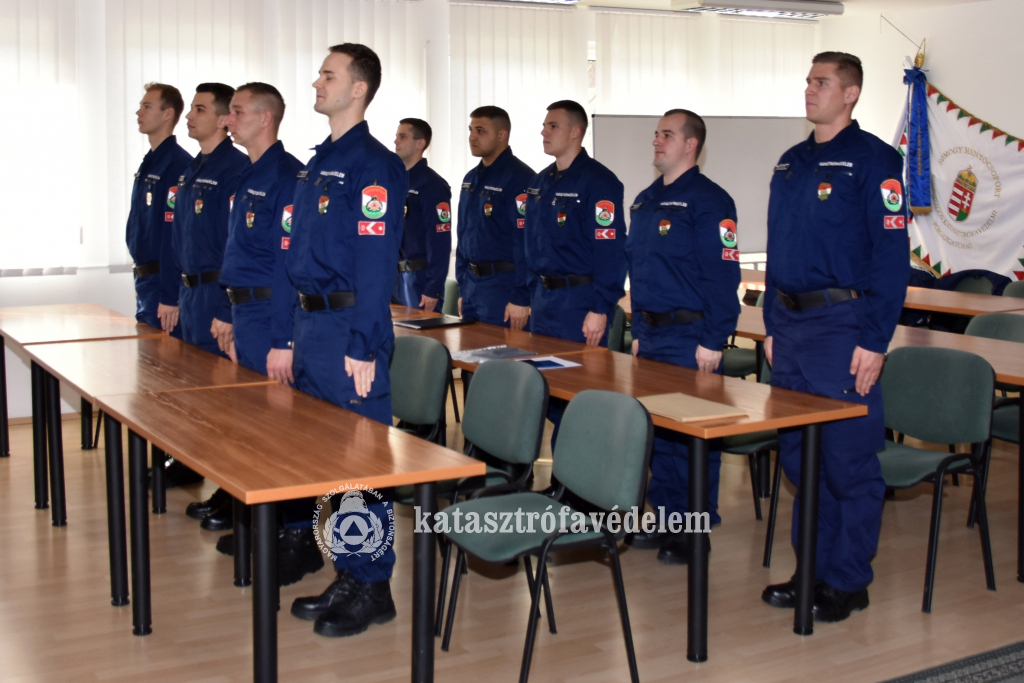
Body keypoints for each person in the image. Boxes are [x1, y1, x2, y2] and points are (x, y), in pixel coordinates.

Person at [760, 52, 909, 623]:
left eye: (822, 82)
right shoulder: (791, 162)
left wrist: (875, 340)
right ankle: (811, 571)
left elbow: (891, 258)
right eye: (807, 81)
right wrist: (772, 325)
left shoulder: (874, 160)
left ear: (850, 94)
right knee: (802, 461)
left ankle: (848, 580)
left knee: (848, 464)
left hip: (842, 327)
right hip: (791, 327)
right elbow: (778, 250)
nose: (810, 89)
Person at [284, 44, 407, 638]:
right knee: (329, 462)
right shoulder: (319, 163)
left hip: (348, 332)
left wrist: (363, 343)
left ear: (358, 89)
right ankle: (349, 571)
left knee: (361, 466)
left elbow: (376, 264)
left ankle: (374, 586)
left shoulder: (373, 165)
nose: (317, 82)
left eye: (328, 75)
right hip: (312, 328)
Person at [185, 83, 322, 587]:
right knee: (255, 430)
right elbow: (236, 249)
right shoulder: (248, 174)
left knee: (285, 432)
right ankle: (270, 525)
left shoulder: (286, 177)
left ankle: (299, 537)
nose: (228, 120)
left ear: (265, 119)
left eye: (237, 112)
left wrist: (284, 338)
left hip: (271, 313)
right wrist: (226, 311)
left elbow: (289, 265)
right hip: (244, 312)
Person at [623, 109, 740, 564]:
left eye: (667, 135)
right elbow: (641, 272)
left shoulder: (710, 201)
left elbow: (722, 276)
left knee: (692, 439)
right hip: (651, 335)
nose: (656, 141)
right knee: (659, 435)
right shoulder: (645, 200)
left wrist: (714, 339)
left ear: (691, 144)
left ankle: (694, 531)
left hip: (691, 335)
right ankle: (669, 519)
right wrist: (637, 330)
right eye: (656, 134)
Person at [524, 100, 627, 448]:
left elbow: (610, 251)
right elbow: (530, 245)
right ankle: (561, 472)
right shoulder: (539, 182)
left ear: (575, 132)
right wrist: (528, 295)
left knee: (580, 393)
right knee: (548, 391)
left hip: (578, 302)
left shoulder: (599, 182)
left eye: (552, 125)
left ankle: (581, 473)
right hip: (544, 301)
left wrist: (601, 307)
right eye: (544, 125)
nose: (544, 131)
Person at [171, 83, 248, 358]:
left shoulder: (236, 168)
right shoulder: (191, 168)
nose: (189, 115)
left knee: (217, 378)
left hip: (215, 293)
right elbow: (180, 238)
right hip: (188, 293)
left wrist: (226, 309)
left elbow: (237, 247)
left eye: (200, 109)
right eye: (192, 108)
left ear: (223, 119)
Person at [455, 106, 535, 329]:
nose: (472, 137)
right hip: (472, 285)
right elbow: (463, 234)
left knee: (502, 351)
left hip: (503, 286)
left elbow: (526, 243)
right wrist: (462, 286)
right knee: (470, 349)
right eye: (471, 130)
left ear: (502, 135)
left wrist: (521, 297)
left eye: (480, 131)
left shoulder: (521, 178)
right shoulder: (471, 178)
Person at [126, 83, 191, 336]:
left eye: (147, 106)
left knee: (165, 356)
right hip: (145, 280)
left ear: (167, 113)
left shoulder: (177, 164)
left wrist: (169, 294)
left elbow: (173, 234)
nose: (138, 112)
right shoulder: (151, 161)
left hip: (162, 280)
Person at [393, 118, 451, 312]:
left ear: (420, 143)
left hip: (418, 278)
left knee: (420, 331)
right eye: (396, 136)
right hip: (393, 276)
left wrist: (433, 286)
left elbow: (439, 240)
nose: (395, 141)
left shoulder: (432, 185)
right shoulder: (397, 181)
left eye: (402, 136)